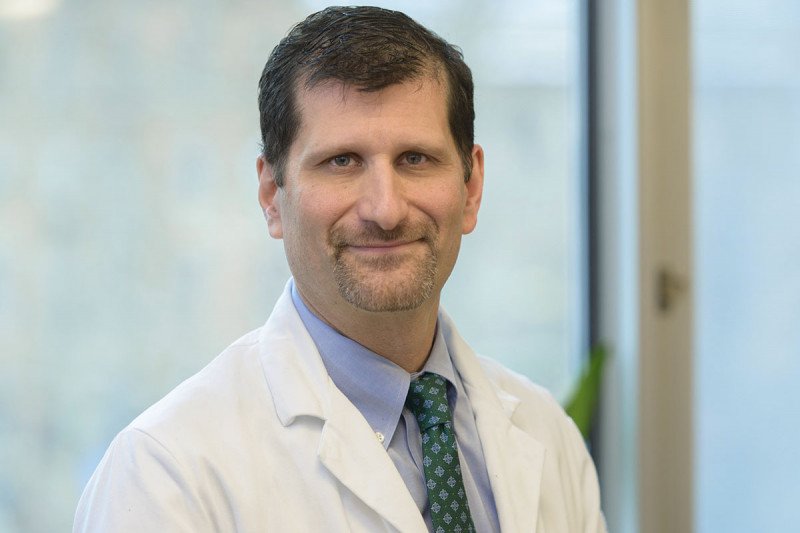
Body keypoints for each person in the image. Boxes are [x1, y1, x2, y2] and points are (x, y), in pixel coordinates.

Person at [74, 6, 606, 532]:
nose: (385, 209)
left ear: (470, 188)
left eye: (415, 159)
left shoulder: (549, 435)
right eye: (342, 161)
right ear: (272, 195)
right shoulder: (164, 477)